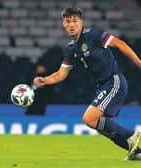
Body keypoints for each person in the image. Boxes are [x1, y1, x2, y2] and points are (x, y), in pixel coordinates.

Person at [33, 6, 141, 160]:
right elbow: (61, 74)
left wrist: (140, 63)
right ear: (63, 24)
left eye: (75, 21)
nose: (71, 24)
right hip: (102, 86)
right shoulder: (71, 49)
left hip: (113, 81)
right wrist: (45, 80)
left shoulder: (93, 34)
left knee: (89, 118)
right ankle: (135, 151)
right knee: (94, 123)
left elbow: (120, 44)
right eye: (68, 21)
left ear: (81, 22)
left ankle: (130, 135)